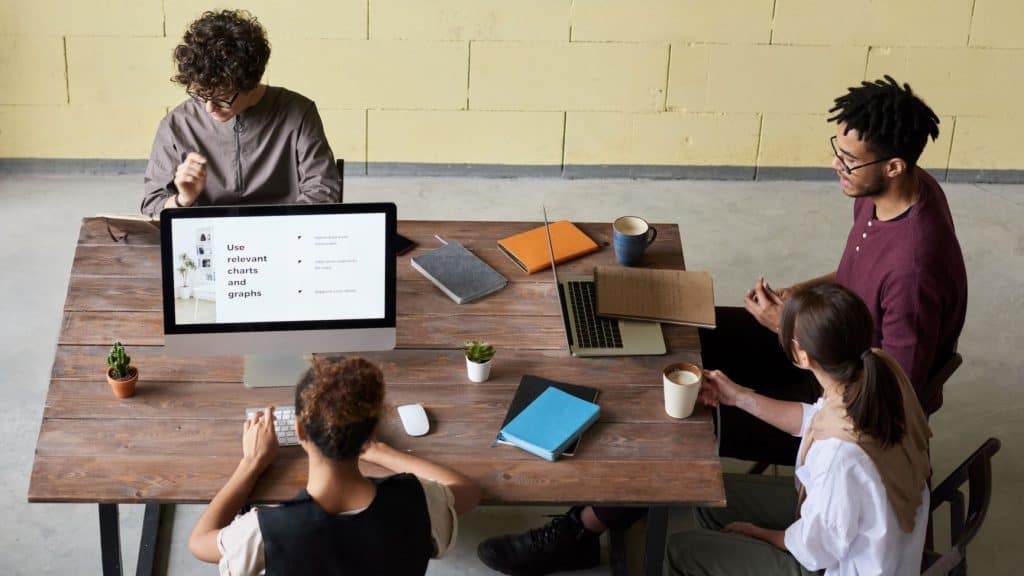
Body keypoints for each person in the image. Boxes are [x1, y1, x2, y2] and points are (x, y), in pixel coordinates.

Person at [476, 75, 966, 575]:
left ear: (894, 165)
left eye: (848, 160)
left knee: (680, 415)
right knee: (685, 334)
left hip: (852, 394)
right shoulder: (890, 190)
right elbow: (857, 275)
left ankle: (585, 528)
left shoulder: (915, 270)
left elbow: (892, 393)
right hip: (827, 347)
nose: (835, 166)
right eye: (837, 150)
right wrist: (798, 299)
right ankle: (606, 489)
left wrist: (792, 329)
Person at [664, 283, 931, 575]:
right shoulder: (879, 368)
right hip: (870, 527)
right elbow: (815, 420)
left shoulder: (840, 456)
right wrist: (737, 396)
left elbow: (815, 548)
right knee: (708, 497)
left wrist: (761, 534)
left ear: (801, 356)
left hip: (842, 564)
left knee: (681, 551)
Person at [188, 357, 481, 575]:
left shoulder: (263, 532)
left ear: (300, 430)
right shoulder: (419, 501)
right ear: (370, 431)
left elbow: (200, 543)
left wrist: (251, 463)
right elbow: (467, 491)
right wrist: (379, 451)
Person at [141, 10, 340, 216]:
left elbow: (322, 191)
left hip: (283, 232)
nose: (209, 108)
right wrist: (183, 200)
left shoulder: (299, 113)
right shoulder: (177, 124)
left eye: (222, 98)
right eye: (200, 94)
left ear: (251, 83)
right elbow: (153, 204)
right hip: (208, 237)